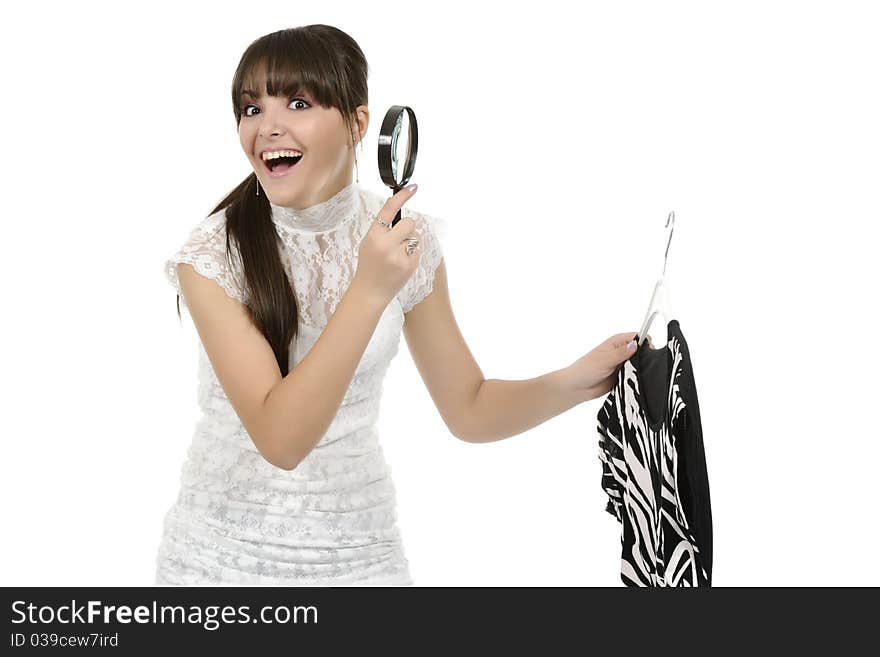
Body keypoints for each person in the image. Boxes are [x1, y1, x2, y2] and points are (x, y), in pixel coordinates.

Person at [154, 24, 641, 586]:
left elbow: (470, 408)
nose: (267, 128)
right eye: (250, 109)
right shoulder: (212, 255)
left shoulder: (404, 241)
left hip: (363, 558)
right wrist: (369, 290)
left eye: (297, 102)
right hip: (223, 566)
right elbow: (281, 440)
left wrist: (580, 381)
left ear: (359, 124)